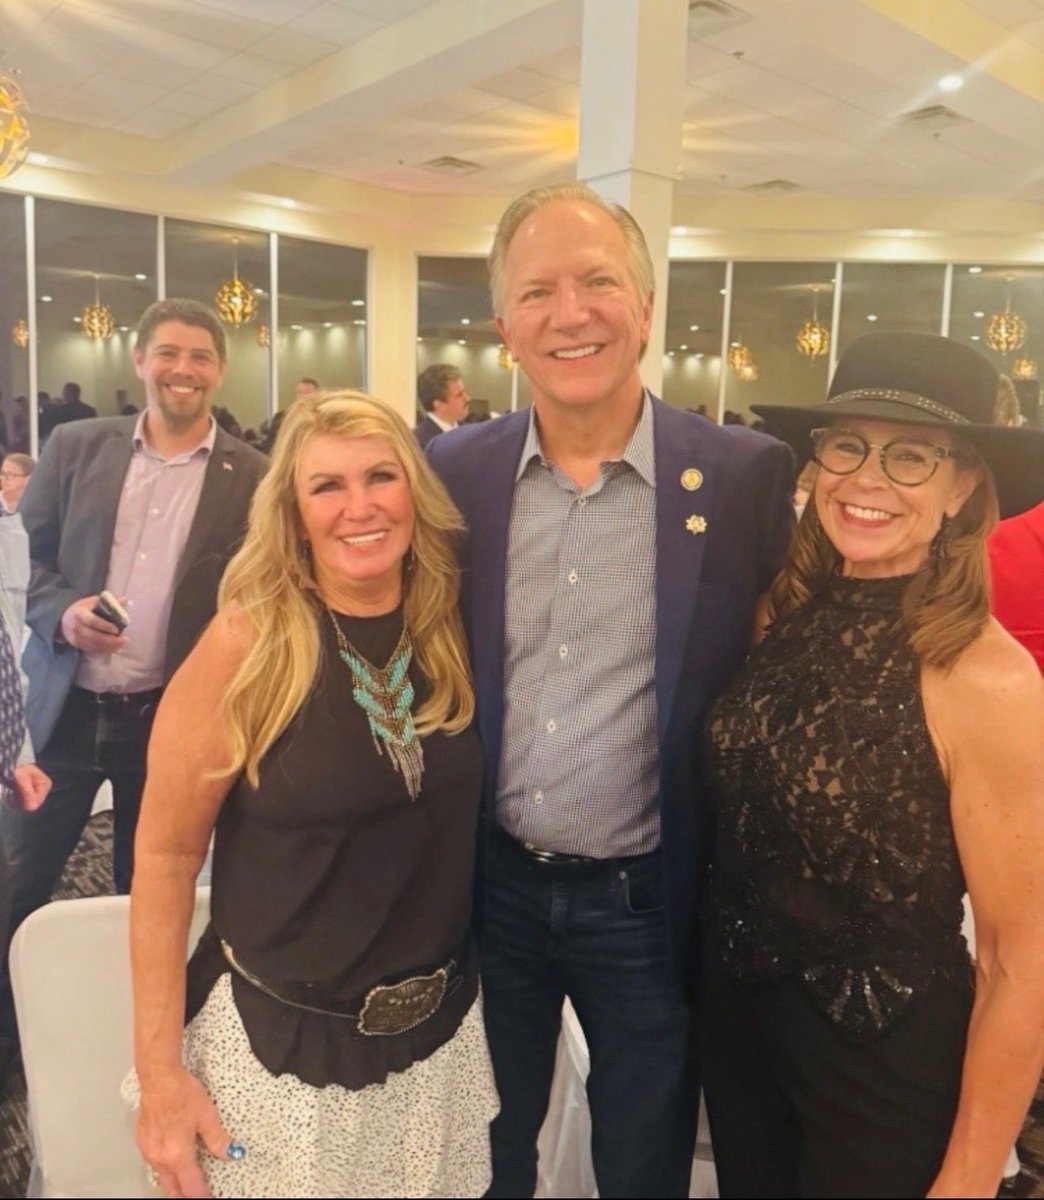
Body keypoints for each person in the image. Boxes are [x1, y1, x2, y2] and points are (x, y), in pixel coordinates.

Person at [427, 182, 794, 1197]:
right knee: (482, 1153)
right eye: (537, 292)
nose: (571, 313)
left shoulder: (743, 476)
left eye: (596, 282)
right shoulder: (454, 470)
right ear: (504, 327)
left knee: (643, 1163)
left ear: (645, 304)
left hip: (649, 900)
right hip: (491, 889)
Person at [127, 390, 498, 1198]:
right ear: (294, 515)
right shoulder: (249, 641)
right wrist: (159, 1077)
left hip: (436, 1049)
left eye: (380, 477)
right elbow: (164, 856)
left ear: (415, 493)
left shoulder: (447, 625)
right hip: (278, 1062)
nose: (359, 507)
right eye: (327, 486)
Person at [701, 331, 1044, 1198]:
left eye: (911, 456)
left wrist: (968, 1179)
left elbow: (1020, 959)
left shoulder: (987, 676)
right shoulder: (780, 614)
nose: (866, 479)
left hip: (882, 1070)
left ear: (964, 485)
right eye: (847, 445)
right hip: (743, 1043)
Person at [0, 298, 266, 1064]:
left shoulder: (249, 475)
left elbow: (254, 592)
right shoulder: (76, 446)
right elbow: (25, 564)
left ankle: (130, 1049)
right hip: (65, 714)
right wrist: (64, 613)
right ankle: (12, 1050)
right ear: (141, 361)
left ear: (219, 369)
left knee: (149, 895)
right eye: (169, 353)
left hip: (169, 722)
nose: (184, 370)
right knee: (17, 880)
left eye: (200, 356)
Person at [415, 364, 470, 448]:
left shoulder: (470, 433)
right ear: (439, 404)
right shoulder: (416, 442)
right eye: (460, 395)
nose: (468, 398)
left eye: (465, 392)